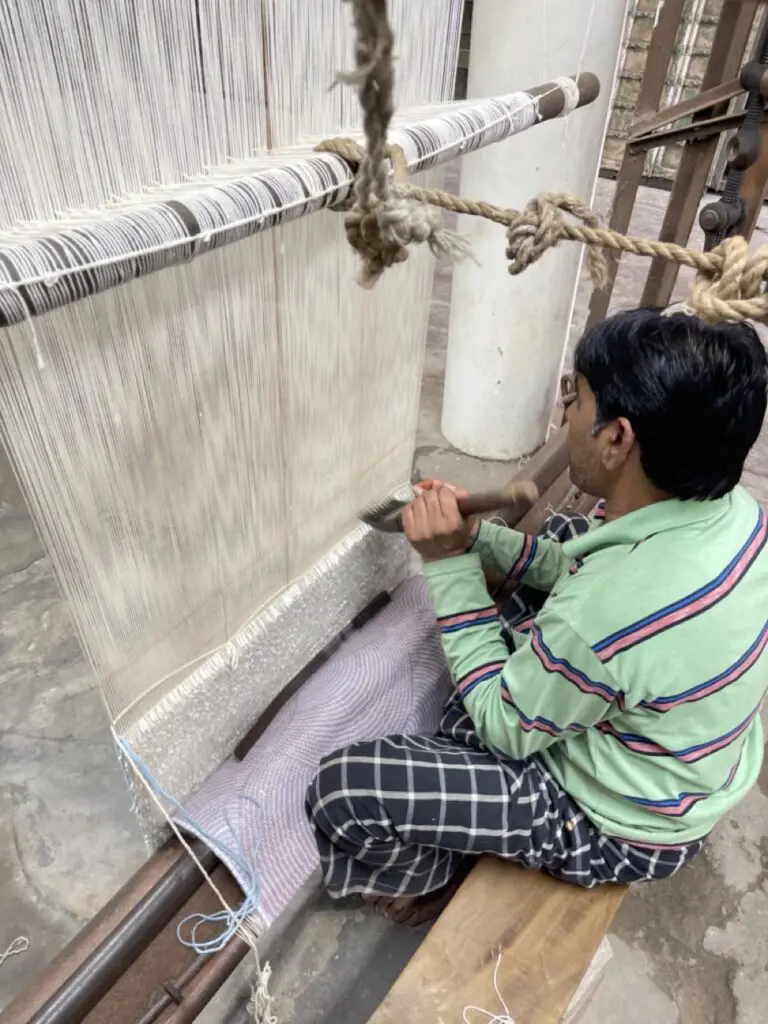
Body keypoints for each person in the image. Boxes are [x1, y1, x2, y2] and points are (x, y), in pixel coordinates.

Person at [306, 308, 768, 925]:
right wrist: (476, 541)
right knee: (568, 537)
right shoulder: (735, 510)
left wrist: (447, 566)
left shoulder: (609, 611)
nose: (564, 415)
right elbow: (581, 571)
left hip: (621, 824)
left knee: (345, 789)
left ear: (617, 438)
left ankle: (425, 882)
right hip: (687, 765)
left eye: (574, 398)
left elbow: (503, 722)